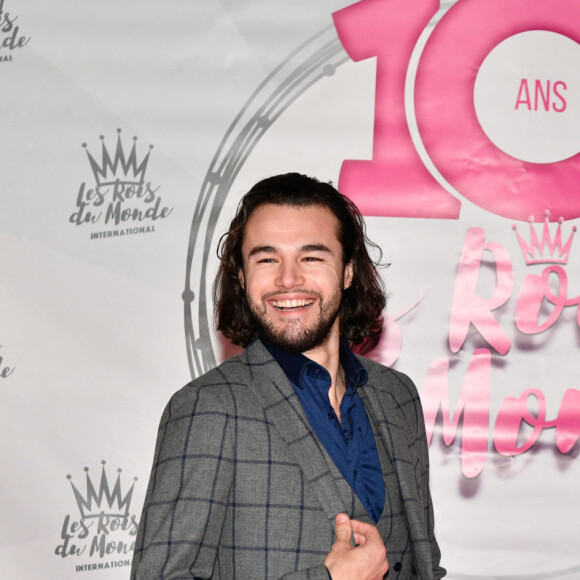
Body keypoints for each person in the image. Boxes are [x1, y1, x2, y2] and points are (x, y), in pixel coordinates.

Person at [131, 173, 445, 579]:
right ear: (241, 278)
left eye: (312, 257)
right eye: (266, 259)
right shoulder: (207, 408)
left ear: (348, 270)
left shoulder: (397, 396)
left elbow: (424, 564)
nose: (288, 279)